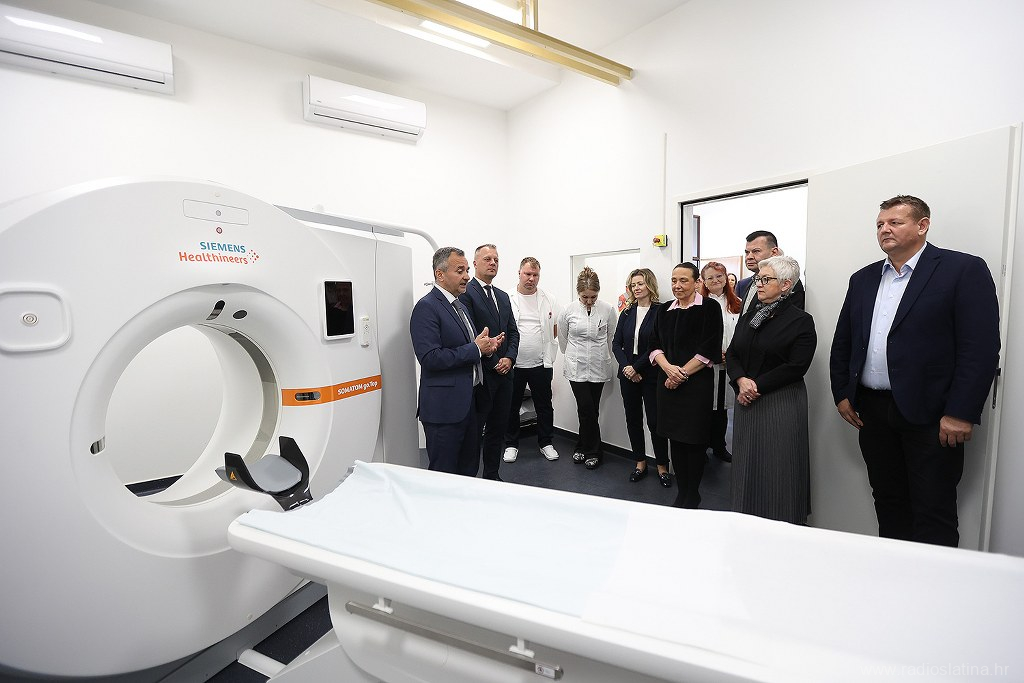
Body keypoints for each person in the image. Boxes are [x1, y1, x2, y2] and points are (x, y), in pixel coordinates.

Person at [829, 195, 1000, 547]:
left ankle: (936, 580)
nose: (884, 229)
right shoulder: (863, 279)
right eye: (880, 224)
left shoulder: (962, 270)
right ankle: (895, 574)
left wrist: (961, 412)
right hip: (872, 412)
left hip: (933, 414)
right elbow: (844, 340)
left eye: (895, 222)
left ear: (922, 226)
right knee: (888, 501)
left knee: (933, 508)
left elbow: (979, 349)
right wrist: (842, 393)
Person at [727, 256, 817, 524]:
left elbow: (796, 366)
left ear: (786, 285)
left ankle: (782, 523)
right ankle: (746, 519)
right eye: (758, 279)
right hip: (747, 399)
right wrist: (741, 380)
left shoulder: (800, 321)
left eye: (766, 279)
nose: (759, 284)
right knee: (746, 463)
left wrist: (755, 386)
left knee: (779, 467)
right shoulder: (750, 316)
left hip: (781, 401)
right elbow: (732, 353)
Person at [410, 247, 503, 476]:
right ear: (440, 274)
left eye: (467, 270)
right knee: (444, 475)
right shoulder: (426, 307)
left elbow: (467, 347)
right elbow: (430, 358)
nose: (467, 276)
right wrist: (475, 348)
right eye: (460, 271)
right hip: (444, 410)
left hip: (469, 403)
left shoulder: (459, 306)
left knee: (468, 471)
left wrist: (486, 348)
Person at [649, 263, 723, 508]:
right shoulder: (664, 310)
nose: (677, 285)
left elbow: (709, 348)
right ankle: (682, 491)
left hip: (695, 386)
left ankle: (692, 494)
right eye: (674, 280)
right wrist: (669, 369)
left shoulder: (709, 307)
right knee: (675, 440)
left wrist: (679, 374)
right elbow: (654, 345)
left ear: (696, 282)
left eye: (683, 280)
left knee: (694, 441)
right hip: (666, 384)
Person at [459, 244, 519, 481]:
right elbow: (471, 335)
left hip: (505, 375)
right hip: (483, 375)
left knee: (498, 429)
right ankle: (471, 480)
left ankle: (492, 476)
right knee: (476, 432)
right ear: (475, 263)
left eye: (496, 259)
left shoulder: (503, 296)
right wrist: (494, 362)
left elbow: (513, 332)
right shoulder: (466, 294)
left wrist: (509, 358)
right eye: (487, 259)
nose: (493, 263)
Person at [612, 268, 671, 486]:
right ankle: (640, 462)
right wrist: (627, 367)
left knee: (655, 421)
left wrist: (636, 368)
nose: (636, 288)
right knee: (633, 419)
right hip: (628, 374)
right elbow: (616, 344)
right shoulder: (627, 312)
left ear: (650, 285)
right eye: (633, 284)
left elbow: (658, 345)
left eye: (640, 283)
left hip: (651, 373)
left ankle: (662, 466)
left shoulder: (661, 311)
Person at [558, 266, 616, 470]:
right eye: (585, 297)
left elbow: (610, 337)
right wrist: (573, 355)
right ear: (578, 293)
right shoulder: (568, 310)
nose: (589, 301)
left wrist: (604, 355)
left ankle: (582, 446)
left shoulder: (608, 309)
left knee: (591, 410)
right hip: (576, 366)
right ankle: (594, 451)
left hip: (599, 365)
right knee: (586, 407)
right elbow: (563, 339)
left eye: (593, 297)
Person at [503, 257, 560, 463]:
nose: (531, 278)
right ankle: (511, 444)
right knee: (511, 405)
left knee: (544, 405)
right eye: (527, 274)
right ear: (519, 273)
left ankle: (546, 443)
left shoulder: (549, 298)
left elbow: (555, 328)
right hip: (514, 363)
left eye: (535, 275)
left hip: (541, 363)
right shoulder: (506, 298)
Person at [699, 261, 742, 462]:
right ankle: (702, 447)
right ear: (704, 281)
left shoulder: (737, 304)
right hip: (705, 364)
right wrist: (713, 352)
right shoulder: (698, 304)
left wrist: (730, 353)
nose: (715, 280)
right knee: (705, 407)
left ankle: (719, 446)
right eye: (710, 277)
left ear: (726, 278)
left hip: (729, 363)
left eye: (719, 276)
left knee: (722, 408)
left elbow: (741, 333)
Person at [735, 230, 805, 314]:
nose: (749, 257)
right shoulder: (746, 283)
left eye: (756, 251)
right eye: (747, 252)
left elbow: (789, 317)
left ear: (774, 252)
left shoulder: (788, 282)